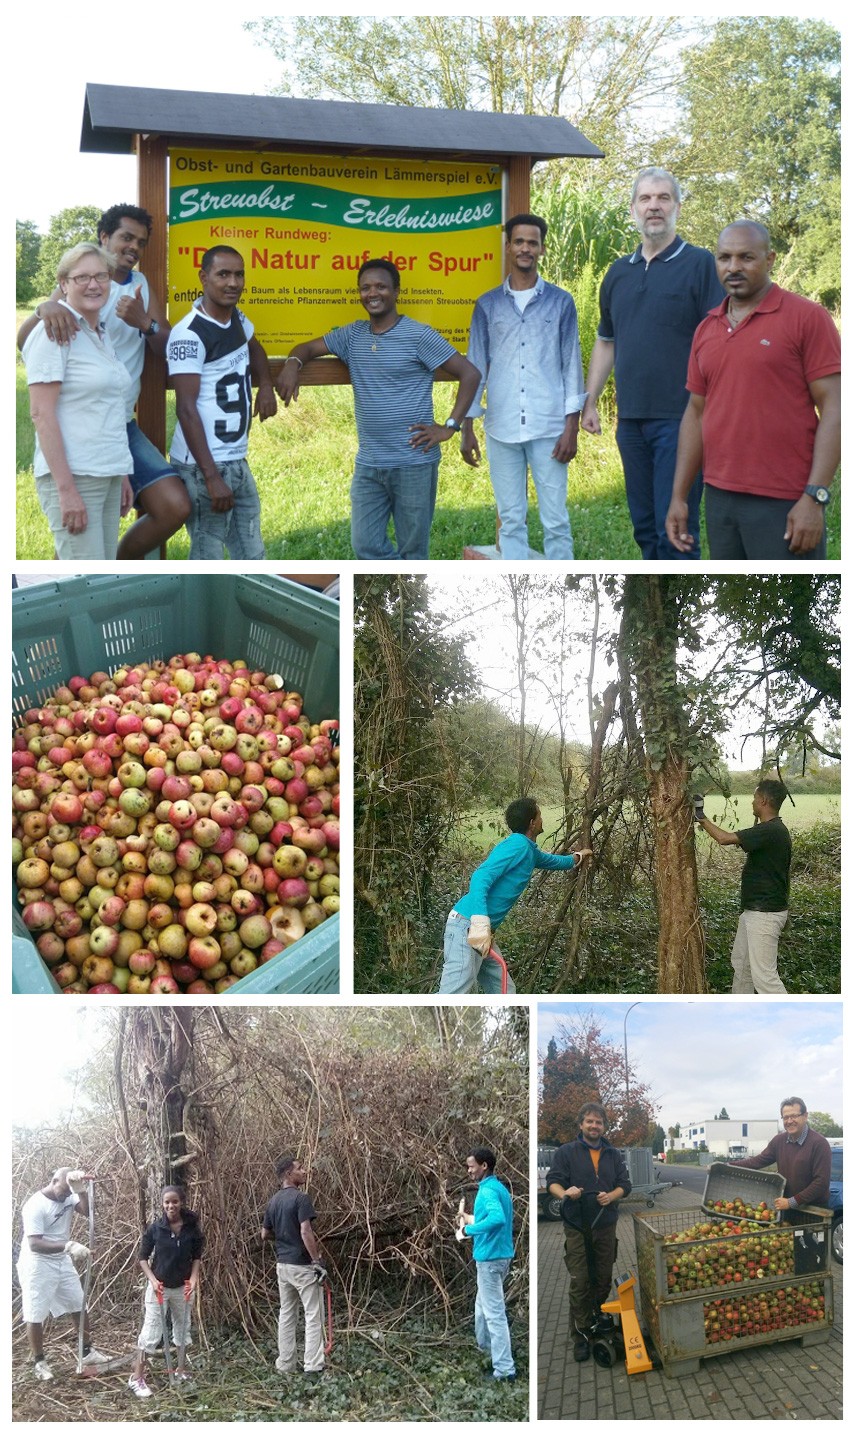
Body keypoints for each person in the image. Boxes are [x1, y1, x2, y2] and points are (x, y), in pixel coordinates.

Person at [17, 203, 191, 559]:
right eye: (126, 237)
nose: (133, 248)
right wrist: (42, 308)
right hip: (80, 431)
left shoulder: (139, 286)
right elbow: (28, 340)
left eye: (140, 242)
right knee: (80, 541)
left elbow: (169, 346)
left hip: (119, 425)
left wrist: (144, 322)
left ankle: (122, 563)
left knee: (173, 506)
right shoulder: (80, 287)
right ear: (104, 237)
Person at [276, 258, 480, 560]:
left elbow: (470, 373)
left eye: (381, 287)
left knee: (413, 550)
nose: (373, 293)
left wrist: (450, 426)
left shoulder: (418, 335)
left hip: (414, 462)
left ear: (396, 291)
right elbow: (305, 348)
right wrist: (292, 365)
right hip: (370, 464)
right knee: (365, 545)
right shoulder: (351, 336)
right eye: (365, 287)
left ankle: (405, 589)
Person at [666, 221, 841, 559]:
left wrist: (814, 496)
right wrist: (679, 496)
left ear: (770, 259)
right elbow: (696, 412)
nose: (733, 267)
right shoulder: (706, 329)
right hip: (719, 498)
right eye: (724, 258)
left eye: (746, 257)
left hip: (785, 500)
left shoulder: (807, 318)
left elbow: (836, 406)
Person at [581, 169, 723, 560]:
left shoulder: (701, 265)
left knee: (675, 529)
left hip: (682, 421)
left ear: (677, 206)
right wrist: (590, 400)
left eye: (663, 198)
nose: (654, 206)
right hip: (630, 423)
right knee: (645, 528)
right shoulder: (617, 273)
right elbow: (606, 340)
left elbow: (720, 341)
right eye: (645, 199)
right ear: (633, 209)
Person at [461, 214, 585, 559]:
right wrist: (466, 427)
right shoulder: (488, 305)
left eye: (532, 242)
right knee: (511, 520)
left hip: (548, 426)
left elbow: (571, 365)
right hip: (501, 427)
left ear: (542, 249)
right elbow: (475, 367)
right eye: (519, 242)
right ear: (508, 247)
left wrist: (571, 427)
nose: (525, 248)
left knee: (556, 520)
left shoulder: (561, 302)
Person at [22, 244, 134, 559]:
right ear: (64, 283)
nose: (93, 284)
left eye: (101, 275)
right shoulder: (54, 332)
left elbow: (107, 406)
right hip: (75, 477)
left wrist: (121, 472)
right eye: (82, 277)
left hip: (106, 472)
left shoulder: (99, 332)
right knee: (87, 583)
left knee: (104, 573)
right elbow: (41, 414)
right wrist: (66, 491)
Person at [167, 246, 277, 559]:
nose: (233, 282)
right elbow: (186, 409)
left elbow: (256, 349)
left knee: (253, 554)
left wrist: (265, 385)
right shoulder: (189, 333)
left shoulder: (238, 318)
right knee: (207, 556)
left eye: (239, 274)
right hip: (203, 467)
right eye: (223, 274)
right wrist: (212, 477)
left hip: (237, 460)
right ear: (204, 277)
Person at [437, 798, 592, 995]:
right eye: (539, 815)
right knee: (454, 994)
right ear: (532, 823)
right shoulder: (516, 845)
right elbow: (480, 876)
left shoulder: (528, 850)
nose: (542, 819)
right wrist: (480, 922)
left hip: (483, 932)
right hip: (468, 926)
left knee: (504, 991)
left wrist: (577, 857)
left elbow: (553, 861)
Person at [545, 1104, 631, 1364]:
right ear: (581, 1125)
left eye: (599, 1123)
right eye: (590, 1122)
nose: (594, 1126)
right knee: (581, 1281)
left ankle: (594, 1319)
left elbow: (624, 1185)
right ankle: (580, 1335)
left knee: (603, 1278)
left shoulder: (613, 1154)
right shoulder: (566, 1152)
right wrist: (565, 1194)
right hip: (577, 1226)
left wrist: (611, 1196)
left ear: (604, 1127)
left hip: (605, 1224)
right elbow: (553, 1182)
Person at [694, 780, 792, 994]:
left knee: (765, 978)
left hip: (764, 914)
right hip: (755, 912)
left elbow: (724, 838)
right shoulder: (771, 831)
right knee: (742, 968)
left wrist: (700, 815)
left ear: (764, 801)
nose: (752, 802)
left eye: (755, 798)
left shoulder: (771, 830)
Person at [16, 1166, 108, 1380]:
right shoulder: (35, 1205)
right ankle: (39, 1362)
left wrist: (81, 1190)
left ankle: (86, 1352)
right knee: (35, 1312)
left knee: (79, 1303)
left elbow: (87, 1212)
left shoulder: (68, 1195)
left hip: (61, 1259)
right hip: (37, 1262)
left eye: (69, 1192)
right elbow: (35, 1243)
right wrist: (68, 1245)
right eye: (65, 1190)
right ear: (54, 1180)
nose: (66, 1196)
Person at [128, 1185, 204, 1399]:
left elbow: (197, 1257)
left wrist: (194, 1278)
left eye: (175, 1202)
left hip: (183, 1287)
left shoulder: (191, 1228)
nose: (171, 1206)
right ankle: (136, 1378)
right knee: (150, 1334)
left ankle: (180, 1371)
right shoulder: (155, 1228)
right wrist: (152, 1281)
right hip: (159, 1288)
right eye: (167, 1202)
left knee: (182, 1329)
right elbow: (142, 1258)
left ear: (181, 1202)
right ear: (162, 1204)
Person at [261, 1155, 327, 1379]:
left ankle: (285, 1364)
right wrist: (316, 1261)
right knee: (313, 1314)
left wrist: (282, 1240)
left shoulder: (273, 1202)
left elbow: (264, 1234)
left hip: (283, 1266)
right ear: (289, 1174)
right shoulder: (301, 1199)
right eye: (300, 1168)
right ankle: (313, 1366)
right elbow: (305, 1231)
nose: (305, 1171)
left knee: (287, 1314)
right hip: (302, 1266)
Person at [459, 1147, 516, 1383]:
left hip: (491, 1260)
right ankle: (489, 1351)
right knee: (482, 1309)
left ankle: (504, 1370)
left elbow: (497, 1219)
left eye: (472, 1166)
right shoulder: (495, 1188)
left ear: (484, 1166)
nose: (469, 1170)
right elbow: (492, 1219)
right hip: (496, 1257)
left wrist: (467, 1230)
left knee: (493, 1315)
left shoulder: (488, 1192)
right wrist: (470, 1219)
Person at [731, 1098, 831, 1220]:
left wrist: (791, 1202)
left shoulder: (819, 1143)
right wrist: (727, 1165)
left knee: (808, 1239)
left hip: (814, 1212)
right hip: (787, 1210)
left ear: (805, 1116)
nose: (789, 1121)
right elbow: (757, 1161)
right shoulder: (779, 1141)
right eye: (785, 1117)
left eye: (794, 1116)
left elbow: (821, 1183)